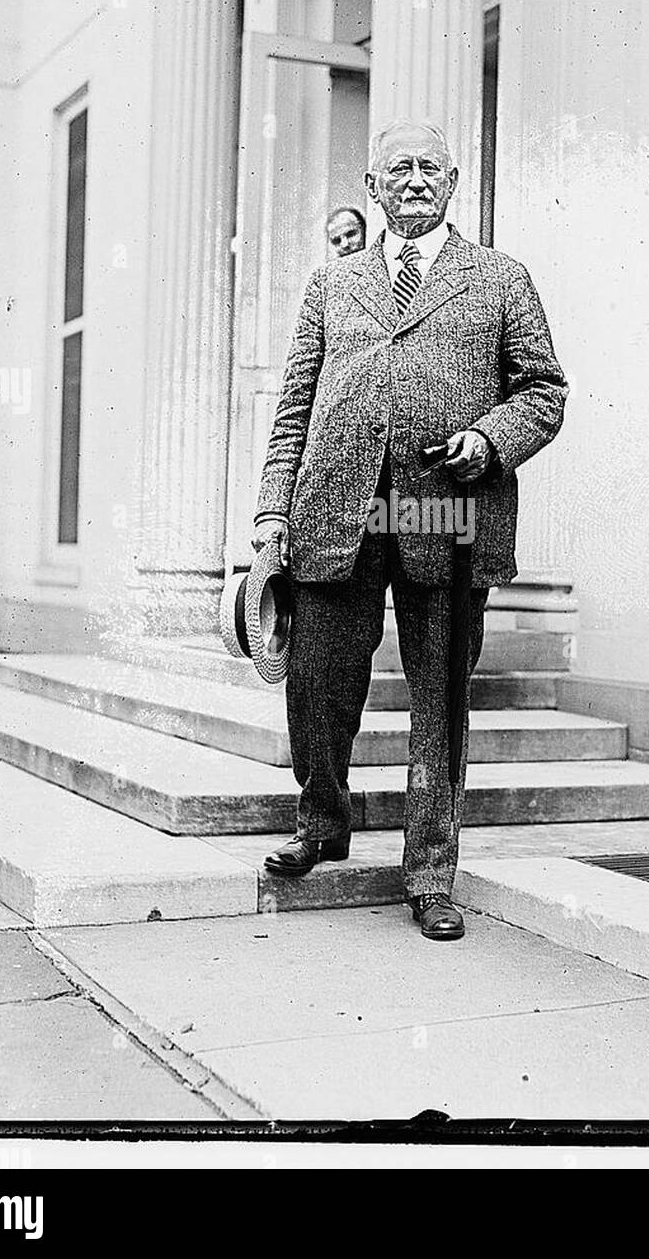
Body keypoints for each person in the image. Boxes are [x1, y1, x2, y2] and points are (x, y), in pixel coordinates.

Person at [253, 118, 568, 941]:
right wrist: (270, 517)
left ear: (455, 181)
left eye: (432, 167)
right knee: (316, 687)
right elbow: (294, 408)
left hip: (447, 519)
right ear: (374, 185)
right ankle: (322, 823)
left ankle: (431, 874)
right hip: (335, 516)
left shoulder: (501, 279)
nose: (417, 179)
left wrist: (490, 440)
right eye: (400, 168)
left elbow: (544, 392)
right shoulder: (333, 285)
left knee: (440, 705)